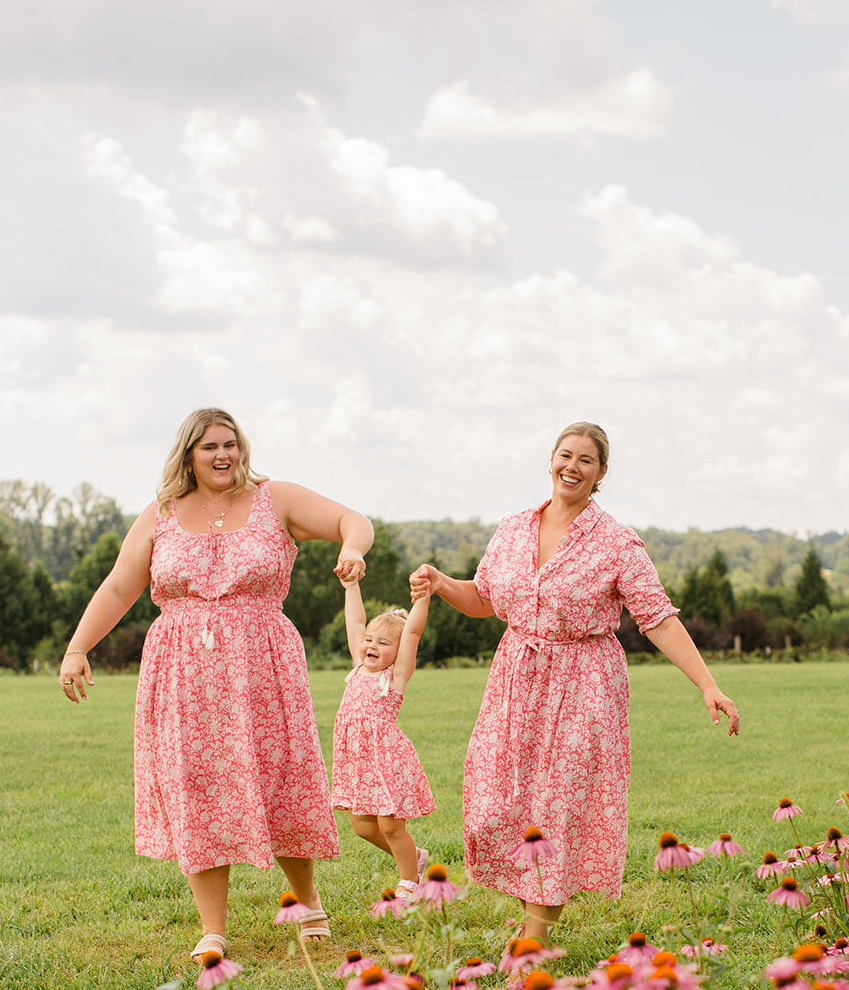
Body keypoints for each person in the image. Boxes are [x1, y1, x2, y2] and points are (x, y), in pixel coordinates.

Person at [58, 407, 374, 959]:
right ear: (189, 455)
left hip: (262, 665)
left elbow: (355, 521)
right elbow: (118, 587)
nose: (224, 455)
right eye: (210, 447)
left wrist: (351, 549)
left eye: (231, 444)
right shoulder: (161, 514)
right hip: (182, 671)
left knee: (282, 776)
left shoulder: (276, 499)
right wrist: (77, 647)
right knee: (197, 785)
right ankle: (213, 928)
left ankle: (307, 902)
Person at [409, 421, 739, 941]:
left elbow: (657, 617)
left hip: (584, 685)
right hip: (516, 681)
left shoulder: (616, 542)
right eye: (566, 455)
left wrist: (707, 684)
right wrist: (442, 583)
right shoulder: (514, 528)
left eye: (586, 460)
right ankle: (533, 914)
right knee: (495, 805)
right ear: (551, 460)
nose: (573, 467)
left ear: (601, 473)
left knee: (558, 810)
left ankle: (534, 937)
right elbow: (486, 600)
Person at [331, 582, 435, 900]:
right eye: (369, 641)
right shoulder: (358, 668)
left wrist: (423, 599)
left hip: (385, 759)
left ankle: (410, 882)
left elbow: (414, 633)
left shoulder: (396, 675)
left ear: (398, 651)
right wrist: (351, 586)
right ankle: (415, 856)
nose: (372, 646)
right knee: (362, 826)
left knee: (391, 827)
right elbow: (355, 622)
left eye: (384, 643)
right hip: (357, 761)